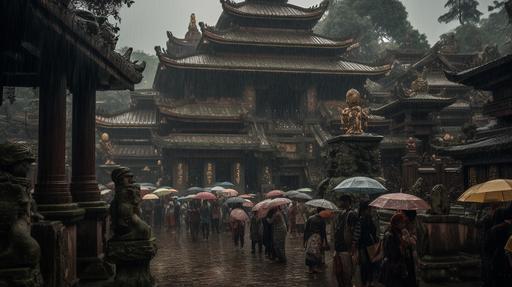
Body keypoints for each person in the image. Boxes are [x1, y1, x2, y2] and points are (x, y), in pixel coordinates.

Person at [333, 195, 359, 287]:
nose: (340, 204)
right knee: (339, 271)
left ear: (347, 202)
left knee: (347, 272)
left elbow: (355, 230)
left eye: (342, 202)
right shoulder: (342, 213)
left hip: (346, 247)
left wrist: (353, 244)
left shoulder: (352, 214)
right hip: (339, 246)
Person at [380, 213, 409, 287]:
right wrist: (401, 247)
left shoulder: (396, 233)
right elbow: (393, 253)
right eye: (402, 222)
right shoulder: (391, 235)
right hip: (393, 268)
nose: (404, 224)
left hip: (393, 267)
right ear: (397, 223)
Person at [487, 208, 512, 287]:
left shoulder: (493, 229)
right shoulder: (509, 228)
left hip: (496, 256)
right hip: (506, 257)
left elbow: (487, 247)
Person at [357, 201, 378, 287]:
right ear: (363, 210)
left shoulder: (368, 219)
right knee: (365, 264)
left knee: (368, 264)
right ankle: (366, 282)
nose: (369, 210)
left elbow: (373, 230)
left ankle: (368, 281)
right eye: (368, 209)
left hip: (368, 244)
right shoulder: (362, 219)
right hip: (364, 245)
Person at [304, 208, 328, 273]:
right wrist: (324, 241)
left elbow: (306, 230)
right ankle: (315, 268)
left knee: (310, 253)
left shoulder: (310, 218)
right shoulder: (322, 220)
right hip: (318, 238)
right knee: (316, 253)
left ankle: (310, 269)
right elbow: (323, 232)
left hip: (310, 237)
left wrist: (305, 240)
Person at [402, 210, 419, 287]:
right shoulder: (404, 226)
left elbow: (414, 242)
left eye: (403, 214)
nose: (402, 216)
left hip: (412, 257)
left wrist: (407, 237)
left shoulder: (414, 227)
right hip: (409, 257)